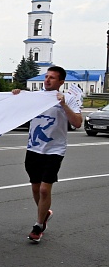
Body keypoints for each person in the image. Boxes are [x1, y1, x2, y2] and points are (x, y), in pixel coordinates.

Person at [12, 66, 82, 243]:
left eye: (52, 78)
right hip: (34, 149)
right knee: (36, 188)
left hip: (54, 150)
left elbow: (77, 123)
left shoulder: (70, 99)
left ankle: (38, 226)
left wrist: (63, 104)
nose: (47, 80)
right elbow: (15, 108)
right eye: (46, 76)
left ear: (61, 82)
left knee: (44, 189)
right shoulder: (35, 97)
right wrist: (16, 94)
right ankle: (45, 214)